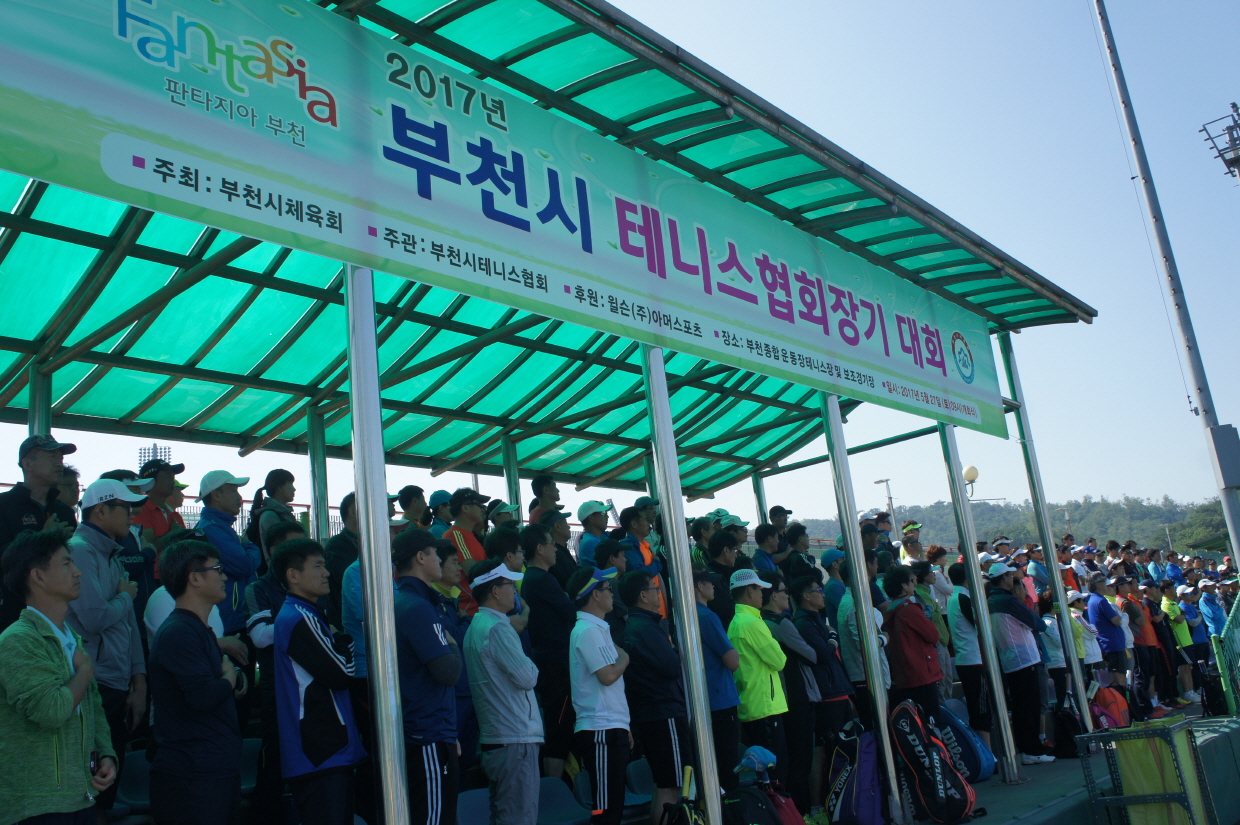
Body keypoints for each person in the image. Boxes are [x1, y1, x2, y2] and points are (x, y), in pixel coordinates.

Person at [0, 530, 117, 825]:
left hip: (79, 796)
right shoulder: (17, 640)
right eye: (66, 563)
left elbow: (93, 708)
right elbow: (51, 710)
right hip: (36, 806)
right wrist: (85, 671)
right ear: (38, 576)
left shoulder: (70, 637)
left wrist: (106, 755)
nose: (77, 572)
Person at [64, 478, 148, 813]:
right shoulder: (80, 551)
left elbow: (129, 626)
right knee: (94, 788)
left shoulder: (110, 554)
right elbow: (94, 618)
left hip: (115, 683)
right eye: (125, 508)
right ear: (101, 511)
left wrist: (139, 681)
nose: (132, 515)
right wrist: (125, 597)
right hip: (94, 683)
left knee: (107, 785)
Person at [148, 537, 246, 825]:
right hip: (193, 775)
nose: (225, 577)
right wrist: (230, 676)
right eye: (218, 569)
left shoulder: (198, 629)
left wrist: (230, 677)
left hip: (214, 767)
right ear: (194, 578)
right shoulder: (179, 632)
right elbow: (203, 696)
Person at [271, 539, 365, 825]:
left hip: (328, 753)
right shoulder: (298, 617)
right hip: (320, 754)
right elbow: (343, 673)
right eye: (318, 566)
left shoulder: (309, 614)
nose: (327, 573)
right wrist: (343, 639)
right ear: (293, 575)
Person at [463, 559, 541, 825]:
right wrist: (530, 662)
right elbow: (528, 677)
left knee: (506, 815)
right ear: (495, 591)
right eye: (510, 585)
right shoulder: (498, 629)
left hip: (500, 737)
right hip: (514, 738)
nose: (514, 590)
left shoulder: (478, 625)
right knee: (519, 817)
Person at [393, 528, 463, 825]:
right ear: (421, 558)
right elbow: (448, 672)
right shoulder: (417, 607)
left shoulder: (408, 602)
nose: (441, 559)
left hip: (430, 731)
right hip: (428, 733)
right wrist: (452, 642)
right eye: (435, 553)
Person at [244, 520, 309, 823]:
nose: (300, 554)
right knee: (272, 770)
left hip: (310, 691)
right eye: (293, 547)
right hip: (278, 692)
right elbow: (260, 636)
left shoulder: (310, 583)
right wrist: (303, 620)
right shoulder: (258, 588)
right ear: (273, 551)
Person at [619, 570, 689, 824]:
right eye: (655, 589)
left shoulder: (638, 625)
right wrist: (672, 649)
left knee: (664, 782)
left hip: (653, 713)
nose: (659, 594)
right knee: (671, 784)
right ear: (643, 596)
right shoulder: (645, 628)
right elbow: (671, 666)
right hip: (663, 711)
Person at [566, 565, 630, 825]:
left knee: (612, 806)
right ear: (594, 594)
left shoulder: (597, 629)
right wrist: (626, 658)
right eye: (607, 588)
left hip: (610, 725)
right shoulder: (588, 630)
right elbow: (608, 675)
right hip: (600, 727)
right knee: (605, 810)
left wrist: (624, 724)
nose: (612, 593)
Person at [790, 574, 855, 819]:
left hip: (836, 689)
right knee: (827, 751)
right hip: (826, 694)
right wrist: (832, 638)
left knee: (840, 749)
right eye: (818, 590)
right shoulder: (804, 623)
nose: (823, 594)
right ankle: (823, 806)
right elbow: (822, 655)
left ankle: (841, 801)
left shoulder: (815, 619)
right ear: (806, 596)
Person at [0, 434, 78, 631]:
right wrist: (42, 538)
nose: (59, 463)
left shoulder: (64, 512)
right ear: (28, 464)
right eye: (51, 457)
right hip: (10, 615)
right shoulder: (4, 506)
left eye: (60, 457)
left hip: (58, 616)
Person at [521, 523, 576, 781]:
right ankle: (554, 788)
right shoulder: (541, 579)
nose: (556, 549)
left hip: (550, 660)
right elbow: (570, 611)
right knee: (559, 727)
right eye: (552, 544)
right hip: (555, 664)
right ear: (540, 548)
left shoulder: (535, 578)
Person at [986, 563, 1053, 765]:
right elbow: (1038, 624)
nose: (1012, 578)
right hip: (1023, 659)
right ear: (1004, 578)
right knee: (1028, 707)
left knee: (1022, 707)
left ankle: (1029, 749)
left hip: (1012, 659)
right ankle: (1031, 750)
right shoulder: (1007, 601)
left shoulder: (993, 600)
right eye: (1009, 575)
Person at [727, 568, 789, 785]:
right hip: (764, 707)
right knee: (775, 774)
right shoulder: (751, 623)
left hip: (752, 704)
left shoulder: (738, 621)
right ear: (749, 591)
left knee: (765, 773)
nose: (763, 593)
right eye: (759, 588)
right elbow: (779, 661)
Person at [193, 471, 259, 638]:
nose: (239, 497)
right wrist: (249, 545)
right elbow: (245, 565)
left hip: (231, 617)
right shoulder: (212, 529)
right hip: (231, 620)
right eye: (234, 491)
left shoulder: (216, 526)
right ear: (216, 495)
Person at [693, 568, 740, 791]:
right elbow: (732, 661)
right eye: (709, 582)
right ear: (699, 586)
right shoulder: (707, 616)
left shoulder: (684, 614)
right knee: (728, 767)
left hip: (703, 700)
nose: (713, 586)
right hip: (720, 702)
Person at [883, 565, 944, 725]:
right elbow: (933, 634)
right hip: (922, 674)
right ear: (903, 586)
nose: (915, 582)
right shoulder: (909, 610)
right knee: (931, 722)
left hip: (906, 674)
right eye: (911, 580)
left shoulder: (892, 610)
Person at [836, 548, 890, 730]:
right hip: (866, 677)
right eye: (875, 564)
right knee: (876, 729)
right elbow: (864, 644)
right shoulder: (853, 603)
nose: (877, 568)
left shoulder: (854, 600)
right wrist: (884, 639)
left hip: (868, 675)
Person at [945, 563, 990, 746]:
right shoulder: (962, 598)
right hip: (972, 660)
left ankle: (985, 750)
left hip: (967, 659)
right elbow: (980, 624)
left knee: (978, 707)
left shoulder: (955, 597)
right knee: (981, 709)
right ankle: (987, 751)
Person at [613, 507, 666, 618]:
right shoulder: (628, 547)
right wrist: (657, 563)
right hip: (646, 612)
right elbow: (639, 575)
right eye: (644, 519)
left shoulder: (645, 546)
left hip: (659, 609)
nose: (648, 524)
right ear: (634, 524)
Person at [445, 488, 491, 616]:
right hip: (471, 612)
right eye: (479, 505)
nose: (483, 509)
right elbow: (474, 572)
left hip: (481, 609)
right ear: (465, 508)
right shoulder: (455, 535)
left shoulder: (469, 536)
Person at [134, 458, 188, 551]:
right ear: (151, 481)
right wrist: (173, 533)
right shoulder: (141, 510)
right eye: (168, 476)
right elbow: (148, 548)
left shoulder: (175, 515)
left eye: (173, 477)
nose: (173, 481)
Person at [323, 493, 360, 627]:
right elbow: (351, 581)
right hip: (349, 622)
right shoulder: (337, 545)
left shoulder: (361, 541)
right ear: (353, 512)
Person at [1084, 572, 1127, 687]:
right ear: (1097, 584)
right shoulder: (1101, 601)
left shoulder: (1094, 599)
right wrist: (1121, 615)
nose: (1106, 584)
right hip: (1112, 645)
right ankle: (1121, 698)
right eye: (1103, 581)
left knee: (1118, 678)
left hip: (1109, 645)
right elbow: (1117, 620)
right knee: (1119, 679)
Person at [247, 469, 298, 561]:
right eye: (290, 483)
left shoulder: (284, 513)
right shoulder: (270, 516)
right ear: (279, 488)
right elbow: (272, 554)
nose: (294, 489)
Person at [1161, 581, 1198, 704]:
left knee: (1188, 666)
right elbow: (1180, 619)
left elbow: (1182, 615)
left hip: (1186, 640)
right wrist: (1182, 613)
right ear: (1167, 590)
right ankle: (1187, 693)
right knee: (1184, 667)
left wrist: (1182, 613)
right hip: (1180, 643)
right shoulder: (1166, 604)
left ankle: (1191, 691)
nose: (1174, 590)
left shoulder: (1173, 603)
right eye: (1172, 588)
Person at [591, 540, 629, 646]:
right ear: (612, 559)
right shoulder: (612, 584)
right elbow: (628, 617)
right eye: (623, 555)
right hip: (617, 642)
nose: (625, 559)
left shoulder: (598, 583)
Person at [705, 530, 741, 629]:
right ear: (726, 550)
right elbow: (725, 610)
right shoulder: (713, 577)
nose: (736, 555)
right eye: (735, 550)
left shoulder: (723, 573)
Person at [539, 509, 579, 589]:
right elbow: (573, 583)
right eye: (566, 523)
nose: (569, 526)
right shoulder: (556, 555)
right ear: (557, 526)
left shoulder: (559, 551)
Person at [577, 501, 610, 566]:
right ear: (591, 518)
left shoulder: (591, 539)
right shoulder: (591, 542)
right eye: (603, 513)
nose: (607, 516)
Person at [820, 548, 847, 627]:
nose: (845, 562)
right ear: (835, 564)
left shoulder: (839, 583)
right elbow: (847, 611)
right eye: (842, 559)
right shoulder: (833, 587)